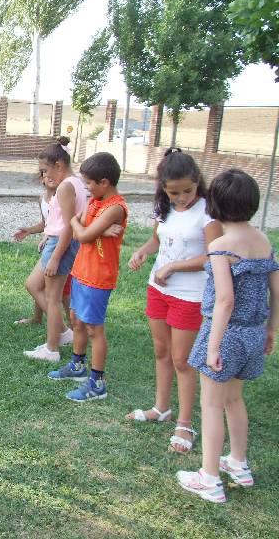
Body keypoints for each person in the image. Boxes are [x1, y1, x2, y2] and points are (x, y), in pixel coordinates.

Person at [177, 169, 278, 504]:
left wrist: (213, 347)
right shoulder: (264, 241)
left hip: (224, 335)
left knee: (211, 404)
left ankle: (209, 478)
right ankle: (238, 463)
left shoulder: (221, 246)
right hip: (252, 334)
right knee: (235, 400)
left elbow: (224, 300)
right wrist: (271, 330)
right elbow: (275, 291)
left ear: (215, 204)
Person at [126, 149, 222, 453]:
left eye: (187, 191)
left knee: (183, 360)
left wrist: (174, 267)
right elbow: (158, 239)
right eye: (173, 192)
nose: (180, 198)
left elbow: (213, 254)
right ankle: (161, 408)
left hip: (190, 295)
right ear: (163, 188)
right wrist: (142, 251)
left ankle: (184, 423)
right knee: (161, 351)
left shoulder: (208, 212)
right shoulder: (164, 207)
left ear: (197, 183)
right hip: (159, 289)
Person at [48, 152, 128, 402]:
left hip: (98, 277)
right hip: (82, 271)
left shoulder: (115, 207)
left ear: (104, 182)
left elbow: (80, 234)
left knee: (94, 328)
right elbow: (76, 227)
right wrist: (97, 230)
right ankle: (77, 366)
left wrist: (86, 228)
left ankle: (97, 382)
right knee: (76, 320)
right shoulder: (95, 202)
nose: (86, 189)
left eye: (89, 184)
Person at [23, 143, 88, 362]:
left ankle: (52, 349)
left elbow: (69, 225)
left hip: (60, 244)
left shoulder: (66, 186)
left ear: (58, 165)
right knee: (33, 284)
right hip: (54, 241)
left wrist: (56, 257)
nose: (44, 175)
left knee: (52, 298)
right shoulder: (76, 182)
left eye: (45, 170)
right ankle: (63, 334)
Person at [13, 170, 71, 326]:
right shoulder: (42, 199)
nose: (50, 177)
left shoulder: (63, 196)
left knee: (64, 292)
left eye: (54, 173)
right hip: (49, 247)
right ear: (41, 179)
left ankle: (69, 327)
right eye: (45, 174)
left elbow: (67, 225)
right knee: (40, 285)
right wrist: (30, 230)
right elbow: (46, 223)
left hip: (61, 247)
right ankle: (37, 318)